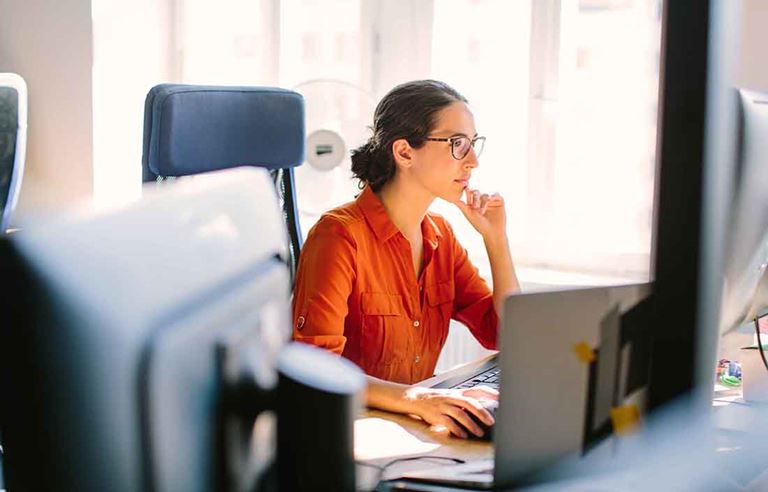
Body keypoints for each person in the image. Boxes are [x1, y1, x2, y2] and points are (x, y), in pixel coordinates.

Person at [292, 80, 520, 439]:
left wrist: (496, 239)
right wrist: (415, 397)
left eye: (473, 144)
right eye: (458, 144)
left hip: (409, 429)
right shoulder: (339, 236)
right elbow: (316, 369)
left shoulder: (441, 236)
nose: (473, 161)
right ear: (404, 153)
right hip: (346, 435)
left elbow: (506, 335)